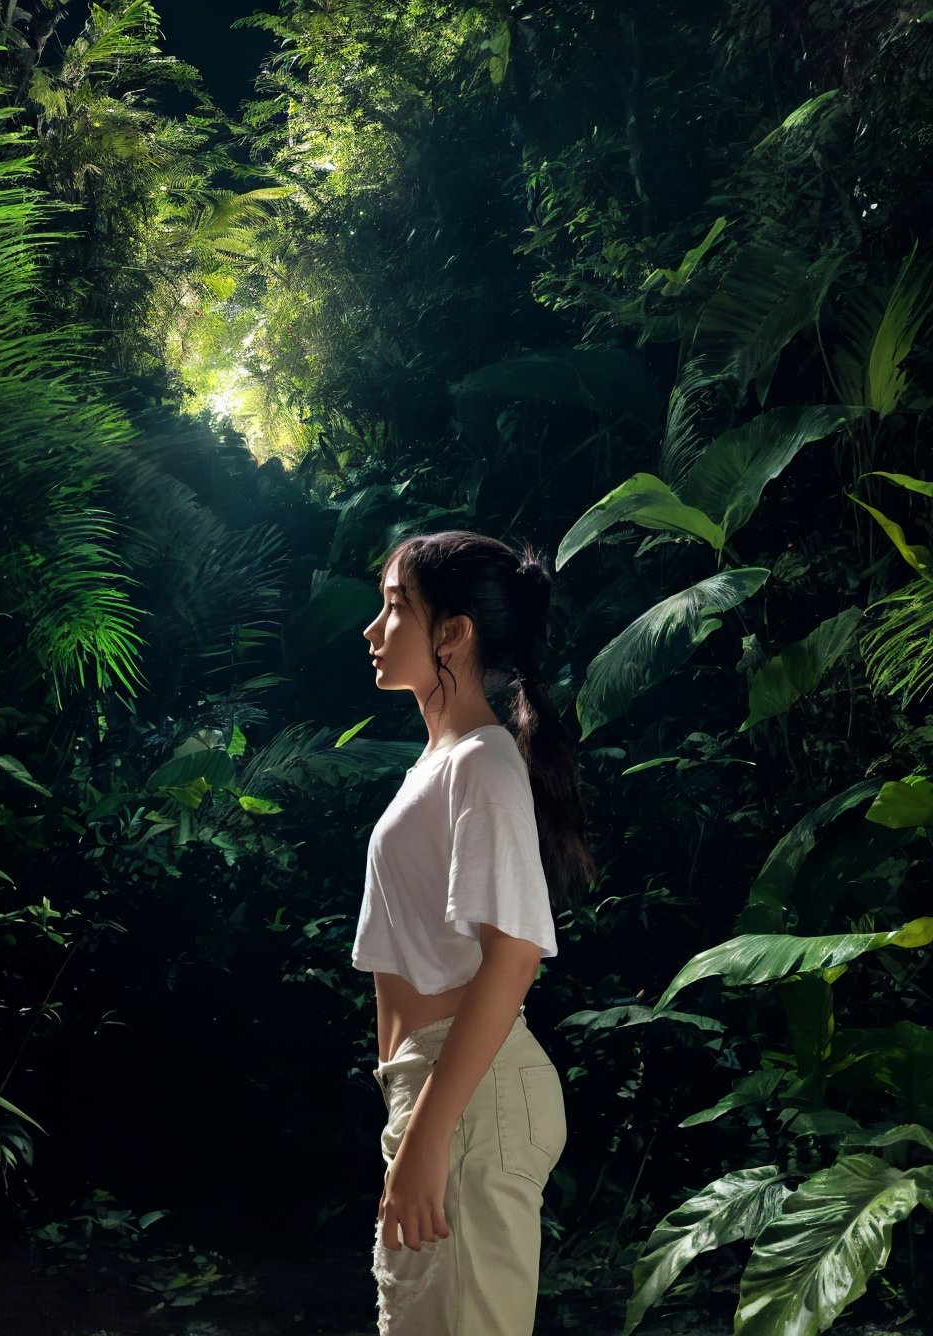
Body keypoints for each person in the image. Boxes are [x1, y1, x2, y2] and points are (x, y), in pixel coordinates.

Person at [353, 530, 594, 1336]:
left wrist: (430, 1134)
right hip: (441, 1092)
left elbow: (514, 956)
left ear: (454, 632)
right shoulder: (448, 761)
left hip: (468, 1098)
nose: (373, 630)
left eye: (395, 609)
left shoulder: (481, 765)